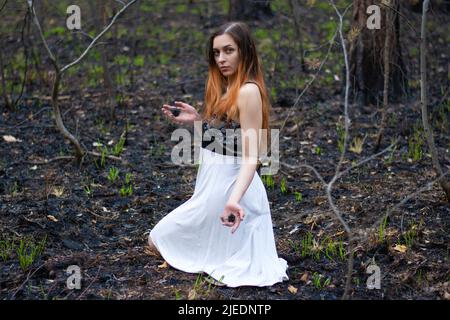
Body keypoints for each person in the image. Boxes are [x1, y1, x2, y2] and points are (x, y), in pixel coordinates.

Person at [147, 21, 288, 287]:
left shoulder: (248, 91)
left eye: (229, 51)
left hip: (233, 192)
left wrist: (233, 200)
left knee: (160, 239)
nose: (221, 59)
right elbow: (225, 145)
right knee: (158, 240)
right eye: (216, 53)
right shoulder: (226, 88)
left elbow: (251, 156)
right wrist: (197, 121)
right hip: (212, 190)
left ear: (244, 52)